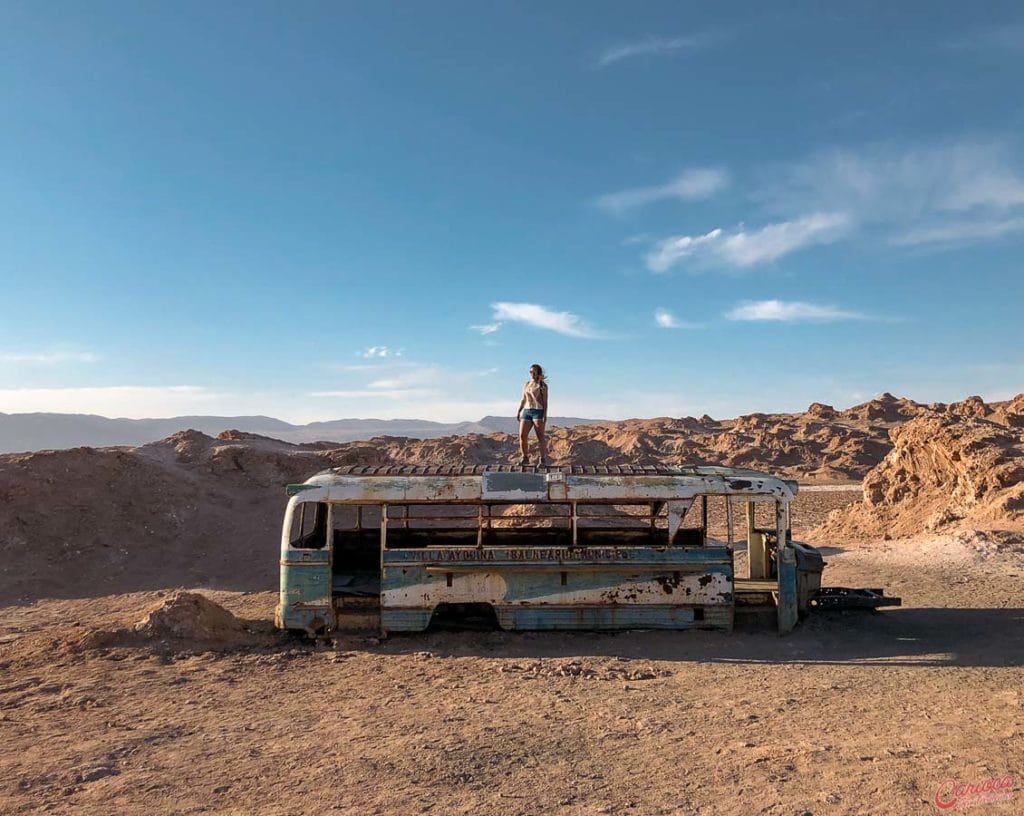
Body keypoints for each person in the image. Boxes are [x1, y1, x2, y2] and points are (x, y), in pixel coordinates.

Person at [515, 363, 549, 465]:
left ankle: (542, 459)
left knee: (540, 436)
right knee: (522, 435)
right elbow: (524, 398)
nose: (531, 373)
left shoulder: (542, 385)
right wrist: (519, 410)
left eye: (533, 372)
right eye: (530, 372)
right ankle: (524, 457)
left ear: (538, 373)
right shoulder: (527, 384)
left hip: (538, 411)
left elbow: (545, 401)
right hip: (527, 410)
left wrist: (545, 415)